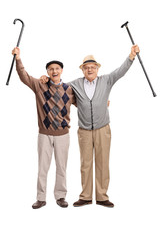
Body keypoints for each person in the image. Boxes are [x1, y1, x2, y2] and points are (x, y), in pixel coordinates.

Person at [40, 45, 140, 207]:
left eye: (93, 67)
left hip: (103, 129)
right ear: (83, 70)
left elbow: (120, 71)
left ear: (97, 69)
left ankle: (102, 197)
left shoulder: (106, 80)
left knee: (102, 162)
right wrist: (46, 79)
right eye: (86, 68)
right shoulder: (75, 85)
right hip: (84, 130)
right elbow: (58, 87)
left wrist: (131, 56)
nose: (90, 70)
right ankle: (86, 196)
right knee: (85, 164)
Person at [12, 47, 76, 209]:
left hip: (63, 134)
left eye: (57, 68)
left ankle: (61, 196)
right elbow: (23, 76)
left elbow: (84, 102)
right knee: (43, 167)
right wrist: (18, 59)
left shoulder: (69, 89)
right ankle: (41, 198)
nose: (54, 71)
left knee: (62, 167)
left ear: (61, 70)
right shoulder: (39, 85)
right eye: (50, 69)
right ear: (47, 71)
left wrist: (103, 102)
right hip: (44, 134)